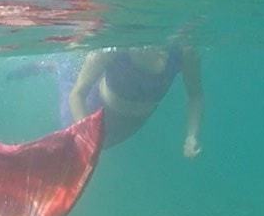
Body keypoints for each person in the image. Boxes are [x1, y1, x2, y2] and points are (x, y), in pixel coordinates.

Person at [67, 45, 203, 156]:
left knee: (104, 146)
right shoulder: (112, 48)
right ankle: (59, 69)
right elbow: (77, 95)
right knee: (74, 143)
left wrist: (191, 136)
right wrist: (87, 137)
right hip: (93, 109)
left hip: (132, 125)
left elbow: (195, 94)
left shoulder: (184, 52)